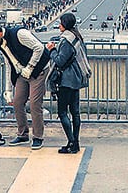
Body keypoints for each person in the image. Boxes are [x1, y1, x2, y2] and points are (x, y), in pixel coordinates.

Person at [0, 23, 51, 150]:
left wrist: (30, 66)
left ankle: (38, 137)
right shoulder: (1, 44)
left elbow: (39, 48)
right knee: (17, 102)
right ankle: (23, 134)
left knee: (34, 104)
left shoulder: (20, 34)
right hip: (22, 72)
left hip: (39, 70)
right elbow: (9, 65)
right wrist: (8, 89)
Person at [45, 12, 91, 154]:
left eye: (60, 23)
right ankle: (75, 142)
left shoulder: (66, 41)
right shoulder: (78, 38)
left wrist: (51, 50)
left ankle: (71, 142)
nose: (59, 25)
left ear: (64, 25)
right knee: (75, 113)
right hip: (76, 78)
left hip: (66, 80)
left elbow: (59, 61)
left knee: (62, 112)